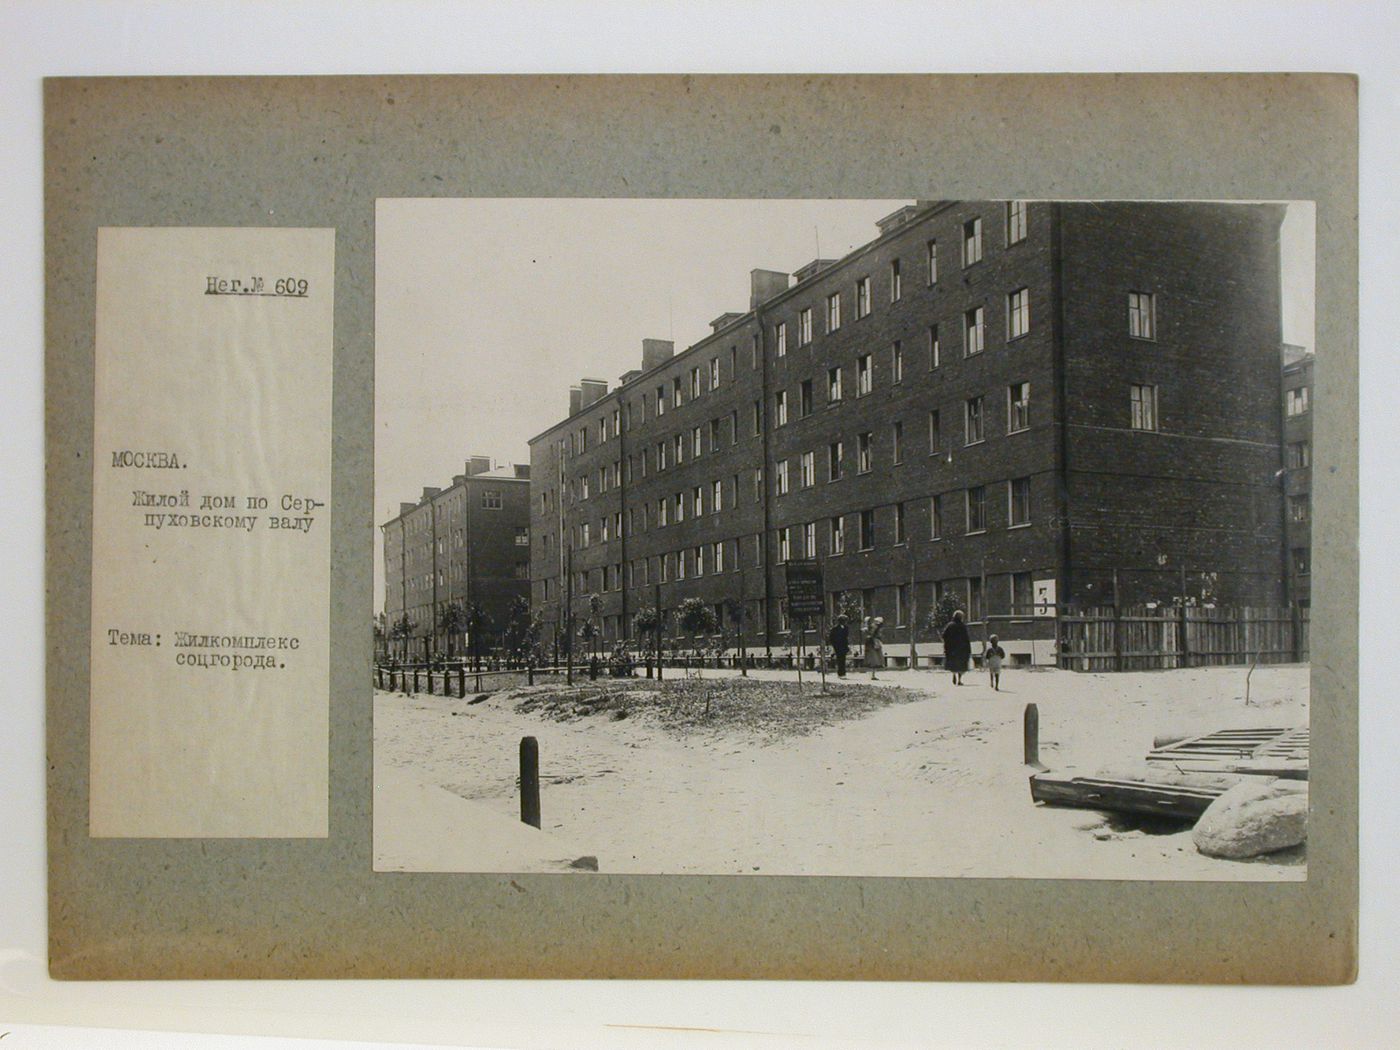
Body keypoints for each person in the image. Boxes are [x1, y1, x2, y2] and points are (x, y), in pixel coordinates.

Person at [941, 610, 972, 685]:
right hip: (961, 649)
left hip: (951, 649)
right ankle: (959, 679)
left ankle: (954, 675)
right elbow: (966, 638)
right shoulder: (962, 626)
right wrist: (968, 649)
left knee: (953, 664)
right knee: (961, 665)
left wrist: (947, 645)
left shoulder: (950, 625)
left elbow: (944, 636)